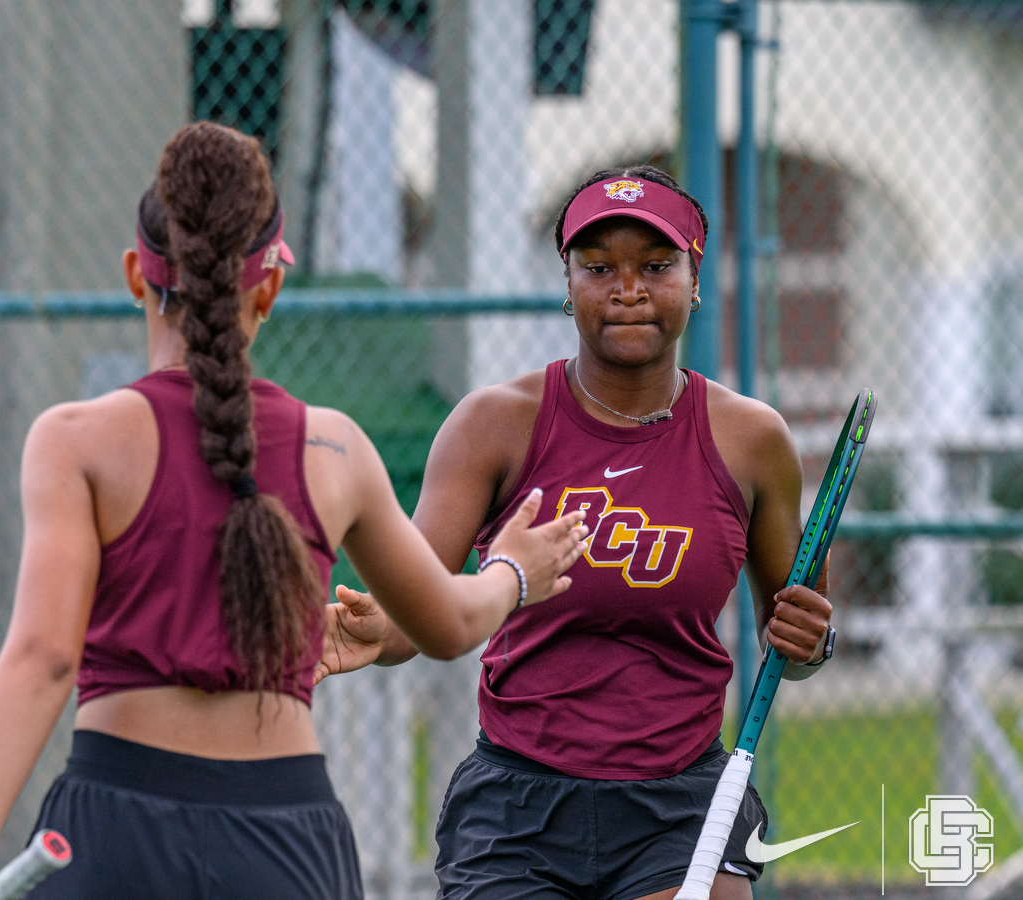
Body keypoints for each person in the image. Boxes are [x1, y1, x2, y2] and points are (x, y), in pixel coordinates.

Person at [0, 121, 589, 900]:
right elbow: (446, 624)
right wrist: (512, 572)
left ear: (136, 274)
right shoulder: (334, 449)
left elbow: (44, 659)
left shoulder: (74, 441)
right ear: (268, 288)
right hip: (286, 840)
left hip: (113, 830)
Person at [315, 166, 835, 900]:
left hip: (678, 806)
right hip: (519, 808)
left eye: (655, 266)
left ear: (694, 280)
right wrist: (380, 628)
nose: (628, 290)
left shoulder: (752, 441)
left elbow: (797, 644)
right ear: (568, 283)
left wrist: (814, 643)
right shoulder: (493, 423)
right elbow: (420, 607)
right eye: (599, 268)